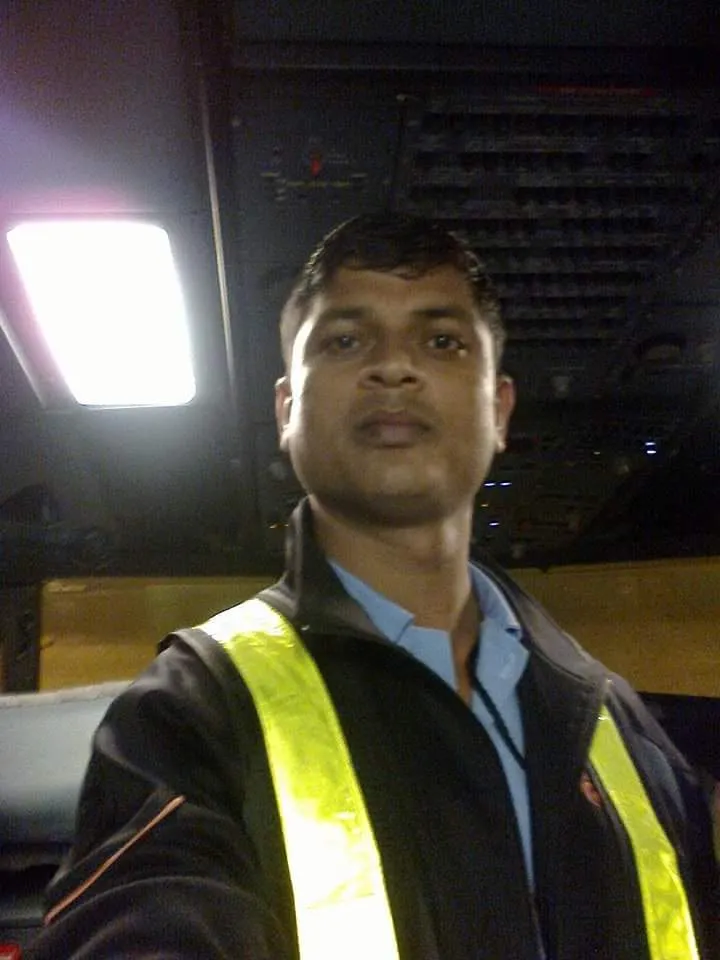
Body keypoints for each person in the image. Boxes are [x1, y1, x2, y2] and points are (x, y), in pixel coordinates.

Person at [30, 214, 718, 959]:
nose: (393, 368)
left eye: (442, 341)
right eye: (345, 341)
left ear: (499, 411)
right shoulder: (190, 711)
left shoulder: (620, 726)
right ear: (287, 411)